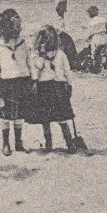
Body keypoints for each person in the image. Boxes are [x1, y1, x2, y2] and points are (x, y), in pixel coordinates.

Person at [0, 8, 33, 156]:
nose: (18, 29)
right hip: (6, 83)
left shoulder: (22, 43)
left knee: (19, 114)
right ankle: (6, 143)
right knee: (5, 114)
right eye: (15, 26)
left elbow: (29, 61)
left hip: (22, 81)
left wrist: (33, 78)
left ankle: (19, 142)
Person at [30, 25, 79, 153]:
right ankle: (49, 143)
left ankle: (69, 142)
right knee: (45, 119)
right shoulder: (36, 56)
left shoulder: (60, 54)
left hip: (57, 87)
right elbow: (37, 68)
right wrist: (41, 54)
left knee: (62, 118)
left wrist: (69, 84)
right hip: (44, 87)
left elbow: (67, 71)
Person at [85, 5, 107, 72]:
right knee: (104, 54)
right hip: (103, 37)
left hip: (95, 38)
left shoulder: (90, 22)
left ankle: (94, 69)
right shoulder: (103, 19)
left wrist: (88, 39)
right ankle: (105, 69)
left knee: (94, 55)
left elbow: (89, 34)